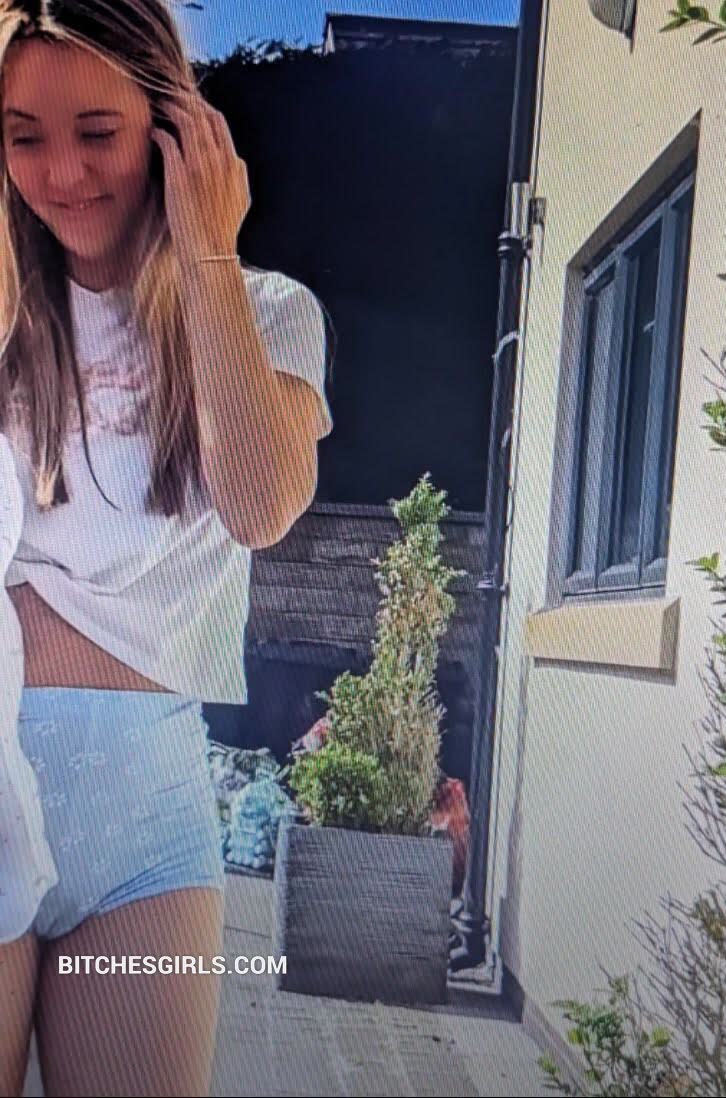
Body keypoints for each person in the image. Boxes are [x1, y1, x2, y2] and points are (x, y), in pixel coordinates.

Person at [0, 1, 333, 1095]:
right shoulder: (6, 318)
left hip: (148, 812)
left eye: (98, 132)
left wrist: (207, 250)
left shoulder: (268, 312)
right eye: (23, 136)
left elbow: (260, 505)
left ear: (173, 125)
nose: (62, 174)